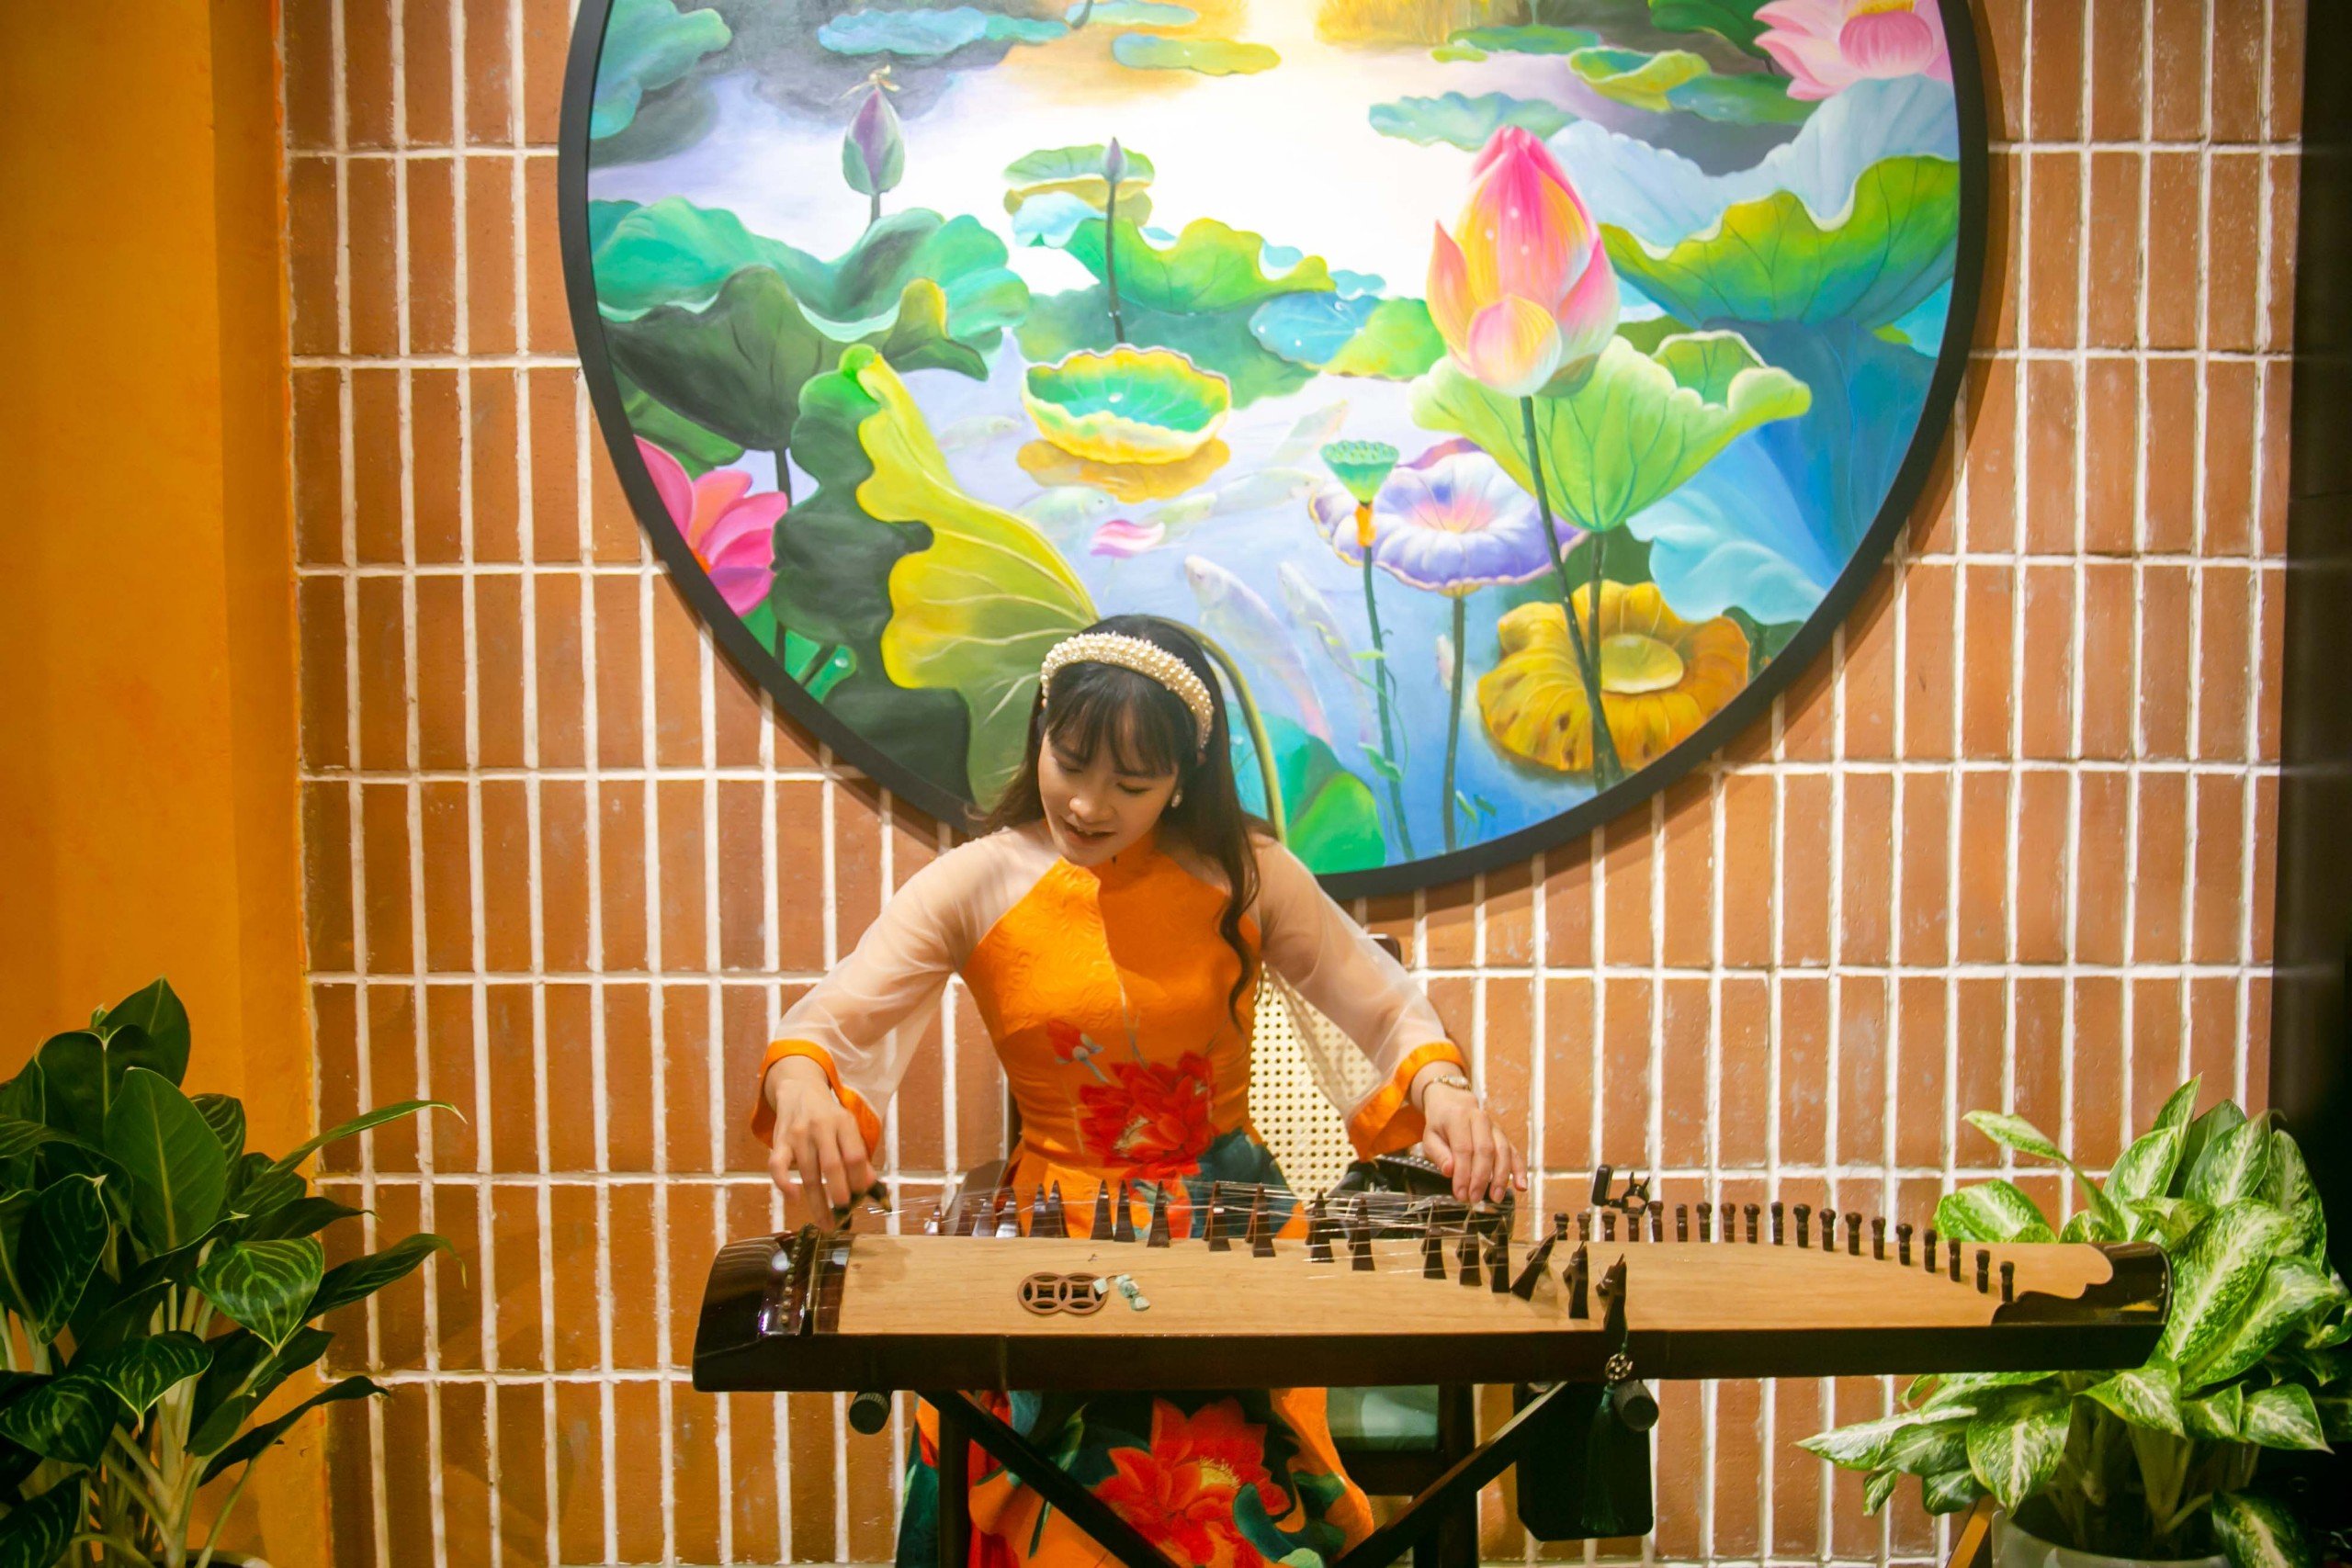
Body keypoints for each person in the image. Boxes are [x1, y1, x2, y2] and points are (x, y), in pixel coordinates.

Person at [752, 613, 1529, 1568]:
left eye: (1131, 783)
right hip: (1054, 1249)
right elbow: (828, 1023)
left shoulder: (1245, 874)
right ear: (1040, 731)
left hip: (1232, 1237)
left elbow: (1382, 1004)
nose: (1088, 804)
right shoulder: (975, 882)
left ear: (1183, 778)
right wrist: (802, 1083)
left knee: (1219, 1492)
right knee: (1068, 1497)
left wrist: (1443, 1090)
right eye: (1070, 762)